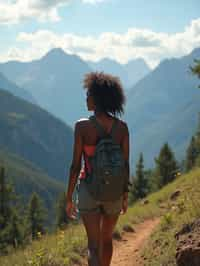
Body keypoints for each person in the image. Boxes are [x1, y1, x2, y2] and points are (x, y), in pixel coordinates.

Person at [66, 72, 130, 266]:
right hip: (114, 193)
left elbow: (76, 166)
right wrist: (125, 195)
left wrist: (69, 198)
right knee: (107, 239)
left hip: (89, 190)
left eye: (89, 95)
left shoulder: (82, 127)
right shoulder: (122, 128)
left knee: (93, 245)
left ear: (97, 99)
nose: (86, 99)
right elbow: (125, 165)